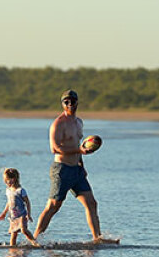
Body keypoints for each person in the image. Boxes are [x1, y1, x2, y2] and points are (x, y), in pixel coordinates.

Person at [33, 89, 119, 244]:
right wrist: (79, 151)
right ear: (62, 104)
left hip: (76, 170)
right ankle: (35, 239)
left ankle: (97, 238)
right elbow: (55, 148)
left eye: (72, 101)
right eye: (66, 102)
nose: (70, 104)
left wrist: (81, 165)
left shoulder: (79, 122)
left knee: (91, 203)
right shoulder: (58, 124)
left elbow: (78, 144)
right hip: (62, 169)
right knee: (53, 206)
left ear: (77, 102)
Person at [0, 168, 40, 247]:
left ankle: (34, 243)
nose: (6, 182)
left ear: (14, 179)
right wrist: (4, 213)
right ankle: (12, 247)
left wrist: (28, 214)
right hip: (13, 216)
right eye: (5, 180)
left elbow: (27, 202)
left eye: (7, 180)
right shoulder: (8, 190)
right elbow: (9, 203)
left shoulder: (20, 190)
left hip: (21, 215)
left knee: (24, 230)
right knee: (13, 233)